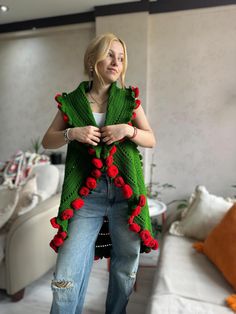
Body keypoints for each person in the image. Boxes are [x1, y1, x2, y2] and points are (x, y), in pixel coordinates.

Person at [42, 32, 158, 314]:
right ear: (92, 60)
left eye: (120, 58)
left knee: (124, 269)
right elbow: (48, 141)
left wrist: (128, 130)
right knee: (66, 274)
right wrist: (72, 132)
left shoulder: (130, 100)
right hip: (86, 197)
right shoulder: (72, 102)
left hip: (125, 196)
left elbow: (150, 138)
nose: (116, 61)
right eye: (109, 54)